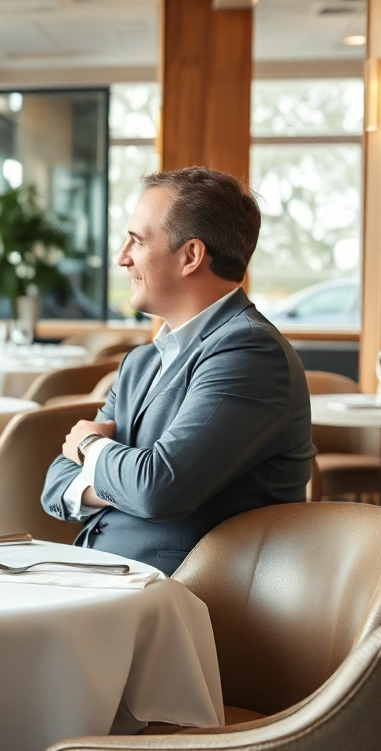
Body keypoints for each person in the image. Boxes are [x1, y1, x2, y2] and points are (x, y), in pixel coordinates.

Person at [40, 166, 315, 575]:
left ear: (190, 256)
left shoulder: (250, 353)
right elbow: (55, 483)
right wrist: (122, 478)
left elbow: (157, 489)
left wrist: (88, 448)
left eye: (137, 241)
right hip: (104, 579)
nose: (122, 258)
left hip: (190, 593)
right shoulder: (141, 362)